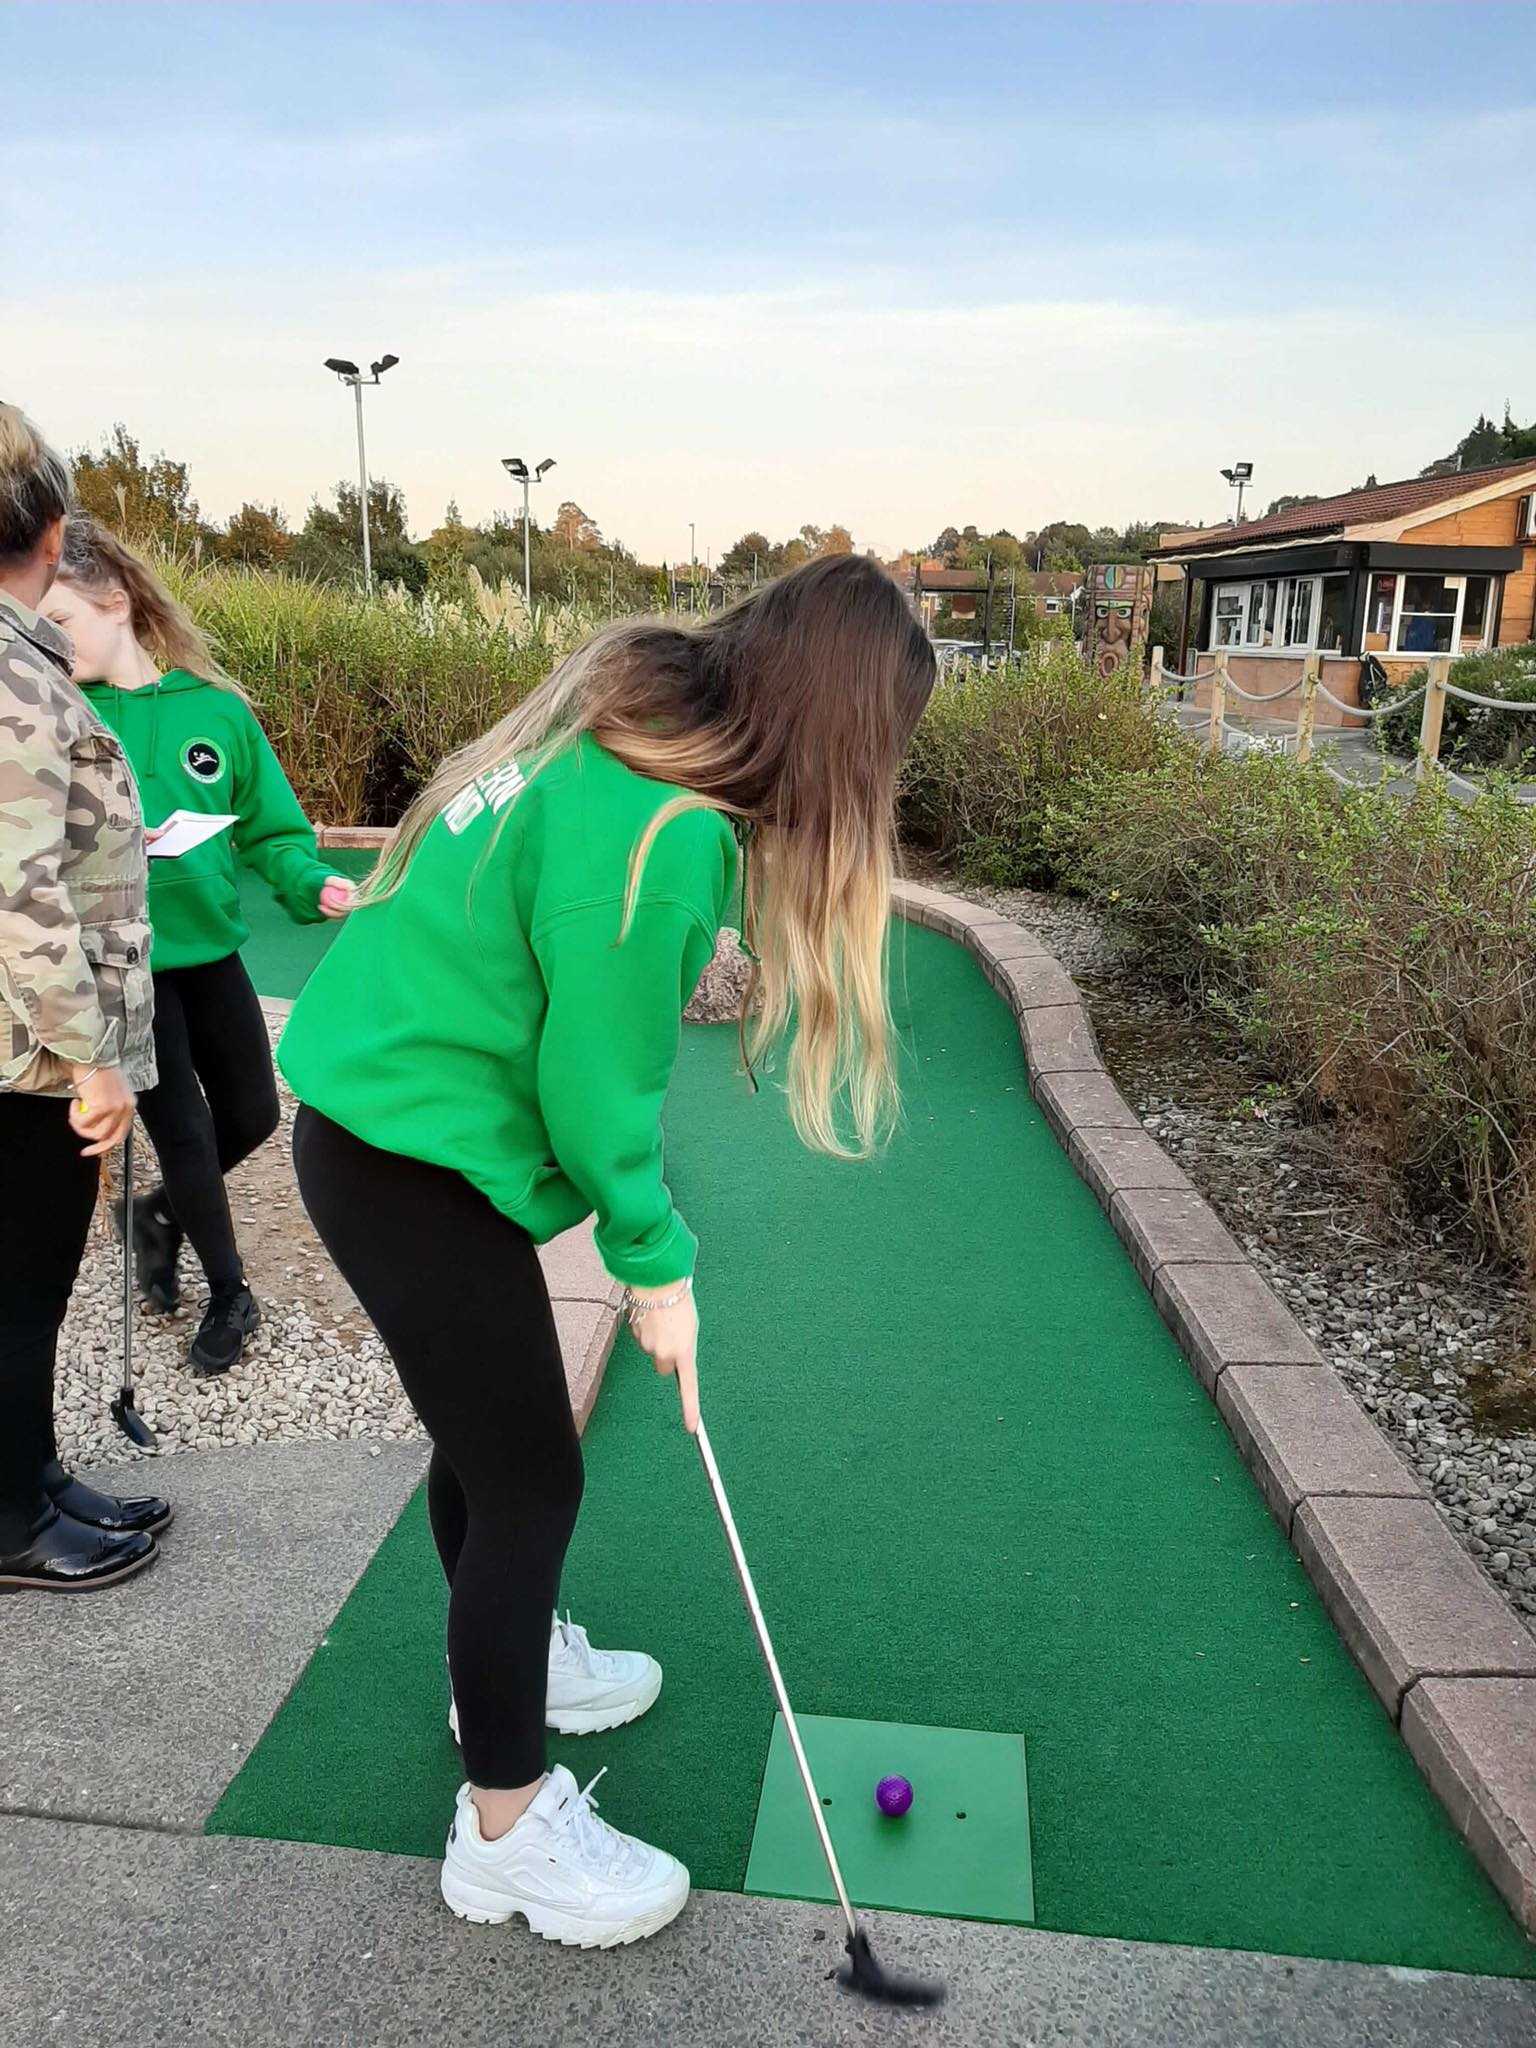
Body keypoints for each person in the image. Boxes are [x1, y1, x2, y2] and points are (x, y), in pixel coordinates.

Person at [279, 554, 936, 1948]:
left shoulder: (616, 740)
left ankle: (504, 1673)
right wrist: (655, 1262)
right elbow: (595, 1094)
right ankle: (505, 1830)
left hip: (388, 1134)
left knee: (492, 1448)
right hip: (407, 1156)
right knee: (531, 1479)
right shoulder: (667, 834)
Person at [42, 517, 356, 1376]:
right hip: (125, 965)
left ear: (116, 601)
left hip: (211, 953)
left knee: (254, 1113)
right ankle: (229, 1292)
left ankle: (158, 1212)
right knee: (182, 1131)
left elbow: (273, 832)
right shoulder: (58, 715)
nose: (50, 640)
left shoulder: (215, 711)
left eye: (60, 619)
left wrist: (310, 881)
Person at [0, 403, 170, 1593]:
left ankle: (36, 1474)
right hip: (28, 1053)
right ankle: (13, 1518)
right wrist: (90, 1058)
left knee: (30, 1283)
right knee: (19, 1286)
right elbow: (20, 895)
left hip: (27, 1042)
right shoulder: (12, 677)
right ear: (53, 535)